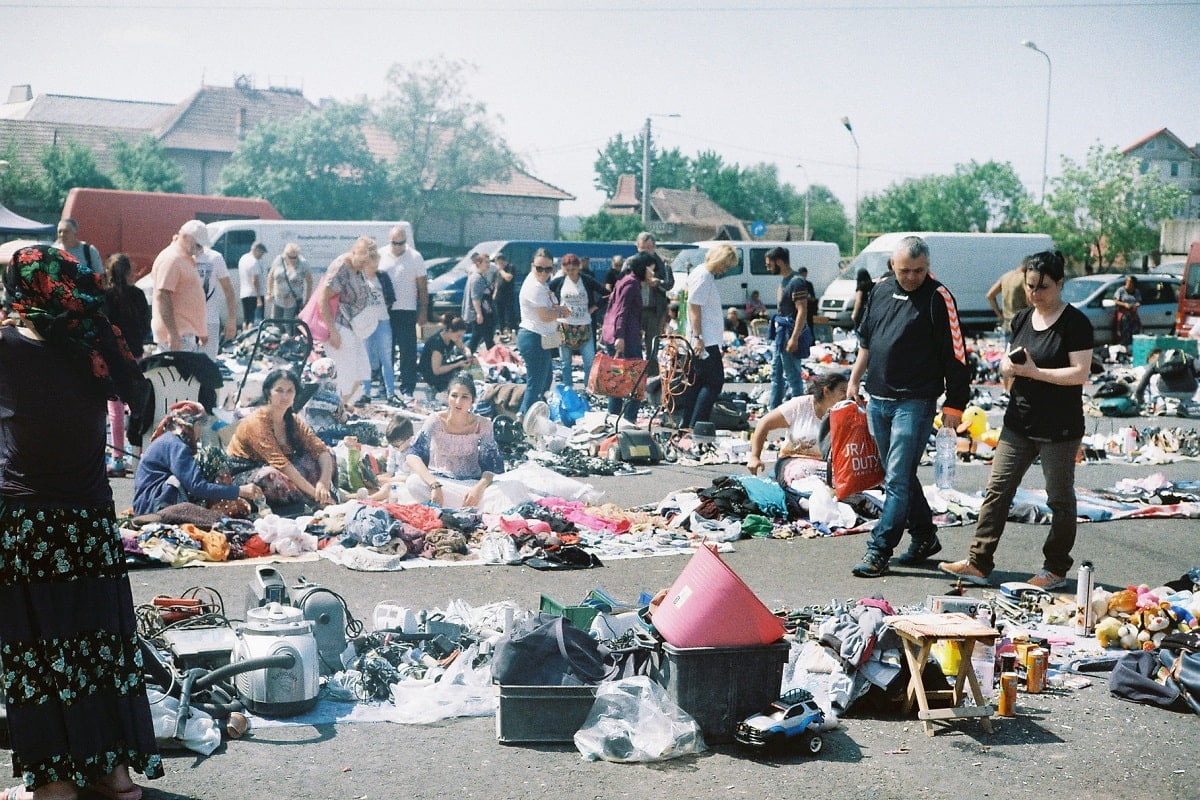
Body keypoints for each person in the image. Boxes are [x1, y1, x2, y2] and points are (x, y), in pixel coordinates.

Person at [0, 244, 163, 800]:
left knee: (41, 651)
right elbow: (142, 401)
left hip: (30, 523)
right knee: (97, 645)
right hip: (91, 522)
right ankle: (113, 775)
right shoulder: (94, 343)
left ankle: (54, 784)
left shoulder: (7, 345)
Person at [941, 250, 1093, 591]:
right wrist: (1007, 369)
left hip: (1059, 426)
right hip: (1018, 421)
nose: (1035, 294)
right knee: (998, 490)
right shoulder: (1022, 318)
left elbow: (1080, 373)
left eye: (1043, 287)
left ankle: (1054, 568)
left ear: (1060, 284)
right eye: (1029, 286)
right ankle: (979, 562)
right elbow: (1015, 363)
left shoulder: (1075, 323)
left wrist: (1035, 372)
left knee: (1059, 499)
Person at [846, 235, 971, 578]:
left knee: (897, 479)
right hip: (878, 398)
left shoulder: (939, 297)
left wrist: (955, 405)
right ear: (892, 266)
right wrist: (855, 379)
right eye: (906, 270)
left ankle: (879, 549)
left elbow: (957, 356)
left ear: (928, 267)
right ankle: (925, 536)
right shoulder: (881, 289)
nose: (913, 277)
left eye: (919, 270)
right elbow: (867, 342)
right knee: (898, 477)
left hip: (915, 402)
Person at [404, 373, 525, 509]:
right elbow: (413, 455)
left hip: (472, 484)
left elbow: (492, 466)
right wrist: (434, 484)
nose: (458, 402)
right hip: (441, 482)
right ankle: (473, 506)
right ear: (447, 397)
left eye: (464, 397)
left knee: (513, 487)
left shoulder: (483, 424)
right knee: (413, 482)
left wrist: (477, 490)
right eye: (454, 396)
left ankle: (462, 504)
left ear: (472, 401)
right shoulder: (435, 420)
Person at [227, 368, 337, 512]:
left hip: (285, 469)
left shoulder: (293, 420)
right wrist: (314, 493)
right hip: (246, 473)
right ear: (268, 393)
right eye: (279, 390)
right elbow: (281, 465)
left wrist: (324, 483)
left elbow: (320, 449)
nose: (284, 396)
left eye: (290, 391)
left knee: (329, 454)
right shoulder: (257, 422)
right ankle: (311, 502)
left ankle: (321, 498)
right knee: (271, 476)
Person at [132, 401, 263, 515]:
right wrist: (239, 491)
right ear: (190, 424)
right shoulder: (176, 445)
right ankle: (219, 506)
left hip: (146, 501)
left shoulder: (170, 439)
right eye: (200, 424)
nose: (201, 430)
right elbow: (197, 487)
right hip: (152, 505)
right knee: (213, 455)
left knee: (209, 457)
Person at [747, 371, 849, 487]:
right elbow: (764, 423)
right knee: (805, 481)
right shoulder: (800, 405)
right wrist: (755, 457)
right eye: (843, 391)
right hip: (792, 461)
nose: (846, 396)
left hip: (826, 466)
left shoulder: (845, 411)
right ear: (826, 391)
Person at [679, 244, 738, 429]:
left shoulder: (702, 274)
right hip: (705, 339)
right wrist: (698, 336)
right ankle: (698, 424)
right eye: (726, 265)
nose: (725, 270)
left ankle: (688, 424)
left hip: (705, 337)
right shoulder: (704, 276)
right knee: (714, 382)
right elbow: (694, 306)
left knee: (697, 383)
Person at [103, 253, 150, 478]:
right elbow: (145, 326)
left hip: (112, 357)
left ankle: (117, 459)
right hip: (136, 355)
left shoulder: (105, 297)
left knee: (115, 410)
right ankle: (139, 455)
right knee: (137, 406)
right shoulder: (139, 295)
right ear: (129, 272)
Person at [319, 237, 376, 406]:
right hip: (339, 325)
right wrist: (333, 331)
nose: (363, 265)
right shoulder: (341, 267)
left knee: (361, 373)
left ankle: (339, 407)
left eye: (366, 262)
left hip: (353, 327)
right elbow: (323, 299)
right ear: (354, 252)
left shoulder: (358, 268)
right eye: (362, 260)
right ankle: (335, 409)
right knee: (346, 374)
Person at [600, 253, 654, 424]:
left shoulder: (624, 280)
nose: (652, 273)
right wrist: (620, 336)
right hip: (625, 339)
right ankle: (629, 420)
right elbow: (621, 311)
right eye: (650, 269)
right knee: (635, 380)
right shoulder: (631, 284)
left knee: (616, 379)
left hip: (615, 335)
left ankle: (613, 418)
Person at [516, 249, 570, 415]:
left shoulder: (541, 283)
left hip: (545, 336)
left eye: (548, 269)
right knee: (537, 383)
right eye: (539, 268)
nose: (544, 273)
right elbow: (545, 316)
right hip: (534, 336)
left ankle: (537, 415)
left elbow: (549, 309)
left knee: (546, 380)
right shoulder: (535, 286)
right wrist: (562, 312)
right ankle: (524, 417)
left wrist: (560, 310)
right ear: (532, 266)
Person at [379, 224, 427, 399]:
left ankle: (408, 387)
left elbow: (422, 287)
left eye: (402, 243)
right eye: (395, 243)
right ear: (389, 241)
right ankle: (386, 386)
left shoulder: (415, 257)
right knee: (386, 350)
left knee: (408, 350)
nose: (398, 247)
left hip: (407, 310)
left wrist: (423, 311)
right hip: (385, 311)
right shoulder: (380, 255)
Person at [150, 220, 209, 352]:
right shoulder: (172, 259)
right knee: (180, 372)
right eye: (198, 245)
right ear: (185, 237)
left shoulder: (183, 258)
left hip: (184, 333)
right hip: (177, 334)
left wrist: (200, 330)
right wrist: (172, 333)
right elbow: (163, 296)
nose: (200, 249)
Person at [766, 246, 811, 407]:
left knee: (793, 376)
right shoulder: (784, 281)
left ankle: (800, 411)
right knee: (776, 375)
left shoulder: (796, 282)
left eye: (770, 264)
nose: (768, 268)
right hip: (780, 334)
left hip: (789, 333)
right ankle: (773, 411)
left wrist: (794, 338)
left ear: (779, 262)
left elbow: (802, 311)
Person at [548, 253, 601, 389]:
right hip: (564, 326)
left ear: (579, 267)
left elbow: (607, 293)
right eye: (568, 270)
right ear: (564, 269)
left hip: (584, 325)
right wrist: (555, 307)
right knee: (565, 362)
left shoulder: (587, 280)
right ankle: (568, 387)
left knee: (589, 360)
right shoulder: (560, 281)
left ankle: (587, 388)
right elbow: (545, 292)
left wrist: (596, 306)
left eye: (573, 269)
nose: (571, 273)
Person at [359, 253, 398, 404]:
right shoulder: (359, 278)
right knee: (366, 358)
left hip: (382, 321)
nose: (374, 268)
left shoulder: (382, 277)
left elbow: (391, 298)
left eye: (376, 265)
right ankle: (366, 392)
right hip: (366, 323)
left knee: (386, 358)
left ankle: (390, 393)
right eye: (371, 265)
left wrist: (381, 311)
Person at [636, 232, 673, 373]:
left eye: (650, 248)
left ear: (654, 247)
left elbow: (669, 284)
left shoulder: (662, 263)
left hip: (654, 310)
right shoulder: (632, 262)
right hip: (635, 310)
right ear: (637, 247)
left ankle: (651, 376)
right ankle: (636, 374)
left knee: (652, 344)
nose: (647, 251)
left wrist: (657, 283)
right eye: (643, 248)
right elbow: (621, 281)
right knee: (634, 345)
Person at [194, 244, 238, 359]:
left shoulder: (215, 257)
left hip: (209, 319)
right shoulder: (181, 256)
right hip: (185, 322)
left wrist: (232, 320)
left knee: (207, 364)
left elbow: (228, 289)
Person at [420, 314, 474, 394]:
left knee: (466, 361)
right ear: (450, 330)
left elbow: (463, 348)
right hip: (431, 373)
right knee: (458, 373)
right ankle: (433, 388)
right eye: (458, 335)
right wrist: (458, 364)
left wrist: (468, 355)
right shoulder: (437, 344)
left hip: (442, 366)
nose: (459, 338)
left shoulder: (451, 337)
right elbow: (436, 370)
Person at [1133, 348, 1198, 411]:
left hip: (1165, 391)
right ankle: (1183, 405)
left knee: (1153, 378)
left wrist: (1140, 400)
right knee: (1194, 381)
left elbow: (1143, 382)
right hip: (1188, 392)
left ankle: (1161, 403)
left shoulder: (1158, 361)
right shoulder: (1187, 357)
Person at [986, 257, 1030, 342]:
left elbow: (990, 295)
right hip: (1021, 322)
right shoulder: (1024, 279)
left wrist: (1000, 315)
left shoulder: (1006, 276)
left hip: (1006, 322)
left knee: (1008, 351)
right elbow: (1029, 300)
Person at [265, 243, 312, 320]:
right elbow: (270, 276)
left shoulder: (303, 263)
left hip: (293, 300)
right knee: (275, 321)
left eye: (295, 257)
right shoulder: (279, 260)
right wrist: (269, 293)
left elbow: (309, 281)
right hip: (278, 299)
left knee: (288, 323)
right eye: (290, 257)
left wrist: (307, 299)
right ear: (285, 255)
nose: (293, 259)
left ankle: (290, 332)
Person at [463, 252, 496, 354]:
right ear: (478, 264)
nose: (488, 264)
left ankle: (469, 355)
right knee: (484, 337)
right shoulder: (476, 278)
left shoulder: (482, 277)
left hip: (485, 312)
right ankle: (468, 356)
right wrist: (479, 314)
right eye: (486, 262)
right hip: (481, 313)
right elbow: (475, 298)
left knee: (478, 337)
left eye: (489, 262)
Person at [237, 241, 268, 329]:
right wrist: (258, 298)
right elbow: (255, 280)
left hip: (244, 293)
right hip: (254, 294)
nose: (262, 255)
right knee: (254, 320)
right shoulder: (254, 262)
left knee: (246, 319)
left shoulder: (243, 258)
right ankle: (252, 339)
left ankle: (244, 337)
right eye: (261, 252)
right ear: (257, 250)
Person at [492, 252, 517, 338]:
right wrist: (494, 293)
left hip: (508, 296)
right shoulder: (497, 272)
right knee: (500, 317)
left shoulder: (510, 267)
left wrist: (501, 270)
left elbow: (508, 278)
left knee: (510, 316)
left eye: (500, 261)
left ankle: (513, 333)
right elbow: (496, 283)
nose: (499, 264)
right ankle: (502, 333)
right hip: (499, 297)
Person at [1113, 275, 1143, 346]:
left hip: (1133, 314)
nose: (1128, 283)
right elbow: (1115, 301)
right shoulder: (1121, 290)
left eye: (1130, 282)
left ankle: (1133, 346)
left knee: (1135, 330)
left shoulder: (1136, 291)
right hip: (1123, 314)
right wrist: (1124, 304)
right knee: (1124, 331)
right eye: (1127, 281)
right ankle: (1124, 345)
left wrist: (1136, 305)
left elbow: (1139, 301)